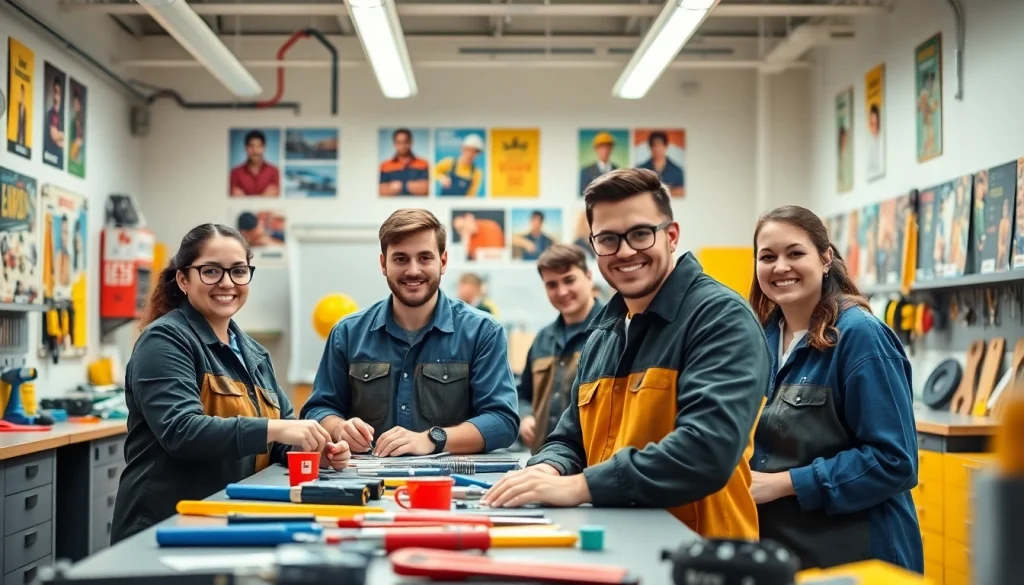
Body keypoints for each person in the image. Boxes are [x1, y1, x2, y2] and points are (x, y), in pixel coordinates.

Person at [482, 169, 770, 543]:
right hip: (612, 542)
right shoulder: (604, 331)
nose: (625, 251)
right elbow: (571, 438)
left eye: (639, 234)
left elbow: (706, 451)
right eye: (608, 239)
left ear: (671, 235)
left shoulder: (720, 318)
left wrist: (579, 487)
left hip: (699, 555)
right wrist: (547, 470)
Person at [110, 224, 348, 544]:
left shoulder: (254, 353)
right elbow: (181, 431)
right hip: (165, 526)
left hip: (227, 519)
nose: (226, 283)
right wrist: (275, 429)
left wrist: (314, 451)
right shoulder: (164, 340)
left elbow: (278, 441)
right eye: (210, 271)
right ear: (183, 279)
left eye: (238, 271)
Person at [747, 205, 922, 572]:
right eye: (767, 256)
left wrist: (785, 483)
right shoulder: (758, 341)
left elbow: (895, 462)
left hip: (857, 557)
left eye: (795, 253)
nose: (780, 267)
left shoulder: (860, 336)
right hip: (786, 555)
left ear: (826, 258)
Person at [300, 209, 519, 457]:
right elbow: (317, 410)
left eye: (425, 258)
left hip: (451, 482)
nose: (413, 270)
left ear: (443, 262)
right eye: (401, 259)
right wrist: (339, 429)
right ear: (383, 264)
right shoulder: (347, 333)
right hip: (365, 481)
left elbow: (502, 422)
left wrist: (432, 439)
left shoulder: (482, 332)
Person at [517, 244, 602, 454]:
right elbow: (522, 393)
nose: (562, 291)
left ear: (589, 276)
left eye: (569, 280)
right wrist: (525, 416)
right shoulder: (543, 339)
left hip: (592, 466)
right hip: (543, 462)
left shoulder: (613, 332)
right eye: (552, 285)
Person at [379, 128, 430, 196]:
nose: (402, 145)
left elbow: (425, 189)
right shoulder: (385, 165)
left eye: (405, 142)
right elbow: (381, 191)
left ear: (411, 142)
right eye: (398, 142)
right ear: (394, 144)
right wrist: (412, 186)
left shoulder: (423, 164)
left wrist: (398, 186)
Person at [230, 130, 281, 197]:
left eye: (259, 146)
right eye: (251, 146)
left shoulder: (274, 172)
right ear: (246, 148)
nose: (255, 150)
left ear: (264, 148)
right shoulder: (235, 173)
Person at [637, 131, 684, 197]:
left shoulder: (677, 171)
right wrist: (670, 191)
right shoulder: (641, 170)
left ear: (666, 146)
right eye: (654, 146)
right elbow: (638, 192)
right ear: (650, 147)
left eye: (660, 145)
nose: (657, 149)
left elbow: (680, 192)